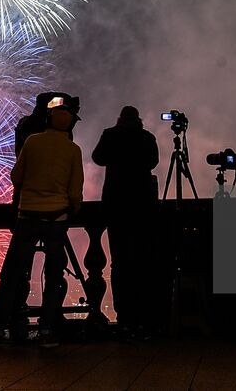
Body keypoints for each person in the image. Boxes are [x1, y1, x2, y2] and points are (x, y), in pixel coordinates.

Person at [0, 103, 83, 347]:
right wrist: (72, 208)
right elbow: (75, 191)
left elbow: (16, 176)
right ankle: (46, 331)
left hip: (27, 216)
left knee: (12, 273)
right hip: (56, 219)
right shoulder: (73, 150)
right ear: (70, 125)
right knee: (54, 276)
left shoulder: (31, 142)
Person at [90, 106, 159, 338]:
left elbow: (97, 158)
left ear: (120, 119)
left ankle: (124, 318)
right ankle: (143, 318)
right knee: (141, 262)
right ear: (138, 119)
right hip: (142, 206)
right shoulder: (147, 137)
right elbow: (152, 162)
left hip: (116, 205)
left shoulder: (110, 134)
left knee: (119, 263)